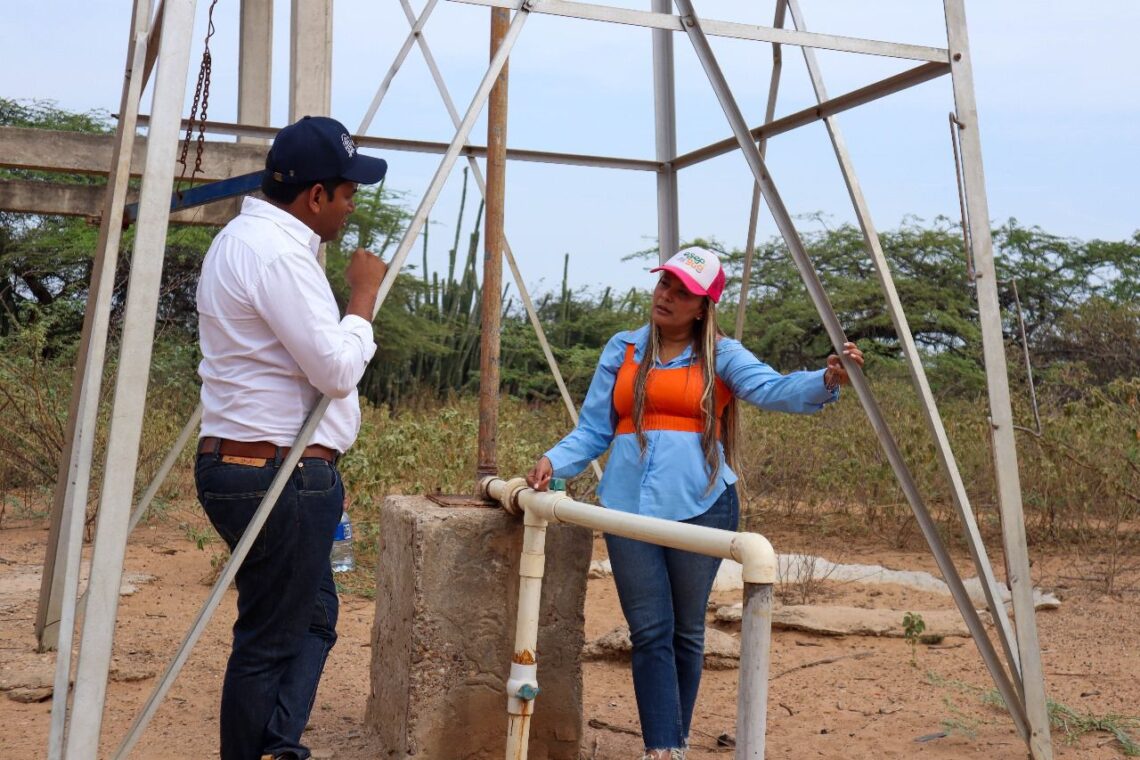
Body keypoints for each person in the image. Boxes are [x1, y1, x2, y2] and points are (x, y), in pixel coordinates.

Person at [526, 246, 863, 760]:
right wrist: (554, 460)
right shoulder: (624, 349)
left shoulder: (722, 354)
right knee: (650, 630)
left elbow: (771, 389)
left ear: (703, 306)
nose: (666, 296)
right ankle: (661, 749)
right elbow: (594, 429)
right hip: (626, 508)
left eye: (682, 291)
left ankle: (675, 745)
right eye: (665, 284)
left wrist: (827, 379)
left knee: (686, 630)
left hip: (703, 505)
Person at [194, 115, 389, 760]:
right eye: (347, 193)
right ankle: (265, 749)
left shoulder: (243, 240)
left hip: (259, 468)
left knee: (305, 618)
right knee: (273, 637)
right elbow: (334, 369)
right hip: (276, 476)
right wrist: (362, 299)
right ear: (315, 196)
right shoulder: (279, 253)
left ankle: (276, 746)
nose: (350, 206)